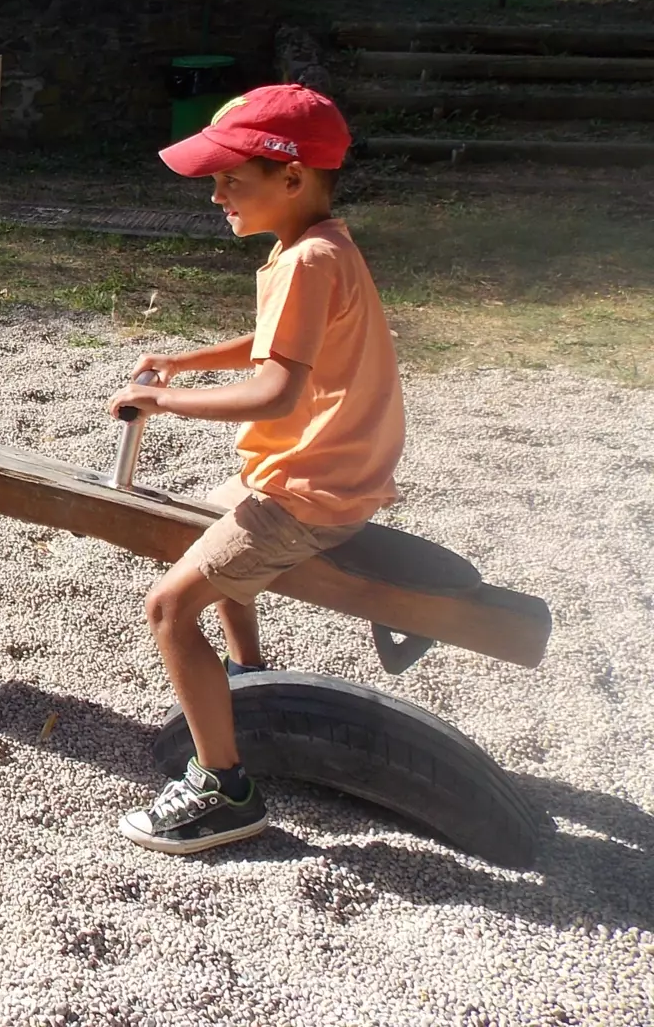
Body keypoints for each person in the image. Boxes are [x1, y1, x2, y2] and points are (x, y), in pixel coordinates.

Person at [107, 85, 404, 855]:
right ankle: (245, 674)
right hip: (326, 471)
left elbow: (276, 389)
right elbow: (277, 340)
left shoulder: (308, 260)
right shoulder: (318, 245)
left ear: (293, 177)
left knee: (169, 610)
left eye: (231, 180)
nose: (216, 196)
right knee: (214, 514)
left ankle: (224, 791)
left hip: (313, 491)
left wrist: (164, 401)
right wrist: (183, 361)